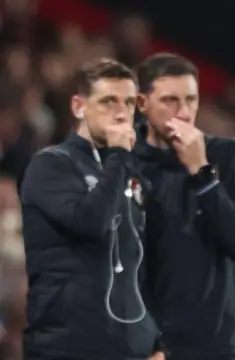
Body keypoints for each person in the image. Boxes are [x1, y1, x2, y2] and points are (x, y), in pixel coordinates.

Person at [19, 58, 164, 360]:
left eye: (128, 103)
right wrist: (119, 155)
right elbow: (93, 223)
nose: (121, 113)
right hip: (69, 347)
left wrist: (155, 342)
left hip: (129, 349)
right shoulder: (51, 164)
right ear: (78, 107)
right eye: (108, 101)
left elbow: (143, 263)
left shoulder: (131, 175)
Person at [133, 53, 235, 360]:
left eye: (191, 100)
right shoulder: (125, 163)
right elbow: (123, 263)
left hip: (217, 348)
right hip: (148, 348)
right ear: (142, 104)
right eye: (170, 101)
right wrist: (147, 342)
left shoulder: (229, 156)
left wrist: (202, 174)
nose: (184, 112)